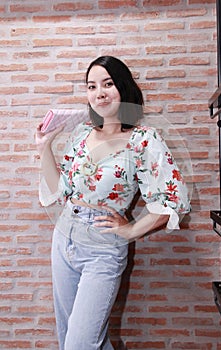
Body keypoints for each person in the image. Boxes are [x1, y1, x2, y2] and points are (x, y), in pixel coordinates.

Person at [36, 56, 191, 350]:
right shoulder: (82, 134)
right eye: (92, 86)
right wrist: (44, 147)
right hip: (64, 237)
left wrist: (131, 230)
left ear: (123, 87)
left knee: (80, 345)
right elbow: (61, 189)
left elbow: (173, 199)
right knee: (73, 337)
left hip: (103, 248)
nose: (100, 93)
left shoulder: (144, 139)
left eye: (108, 84)